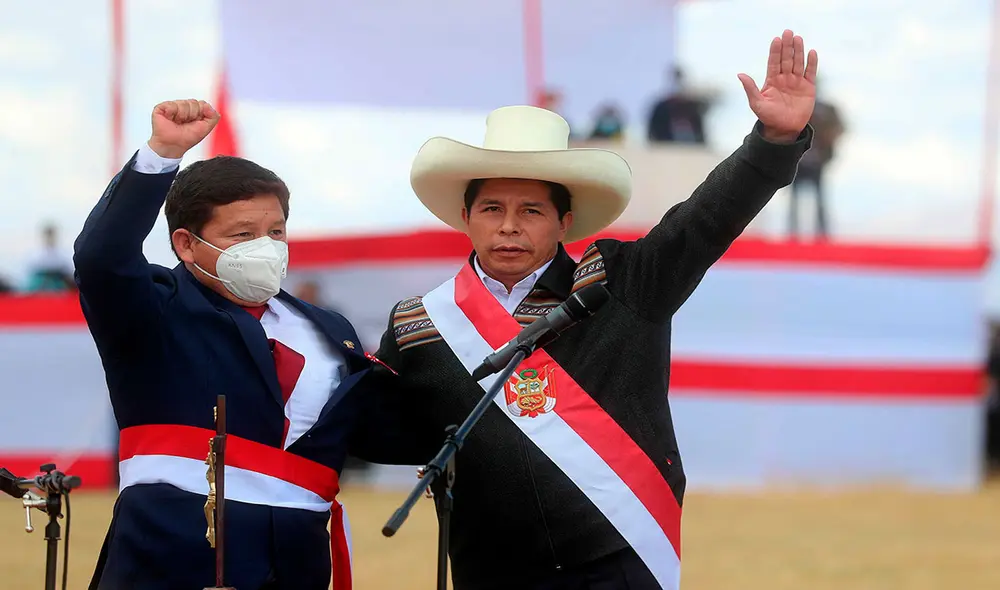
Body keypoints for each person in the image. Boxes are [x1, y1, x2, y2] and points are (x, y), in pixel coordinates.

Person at [366, 30, 818, 589]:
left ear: (564, 221)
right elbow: (378, 431)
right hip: (490, 568)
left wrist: (773, 141)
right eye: (491, 208)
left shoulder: (623, 283)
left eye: (531, 209)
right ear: (466, 215)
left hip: (620, 563)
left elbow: (703, 221)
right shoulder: (419, 324)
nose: (508, 225)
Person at [76, 99, 385, 590]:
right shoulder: (154, 311)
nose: (266, 246)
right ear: (185, 244)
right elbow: (101, 257)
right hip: (172, 558)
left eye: (275, 231)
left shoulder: (331, 327)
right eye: (243, 235)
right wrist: (162, 154)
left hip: (298, 560)